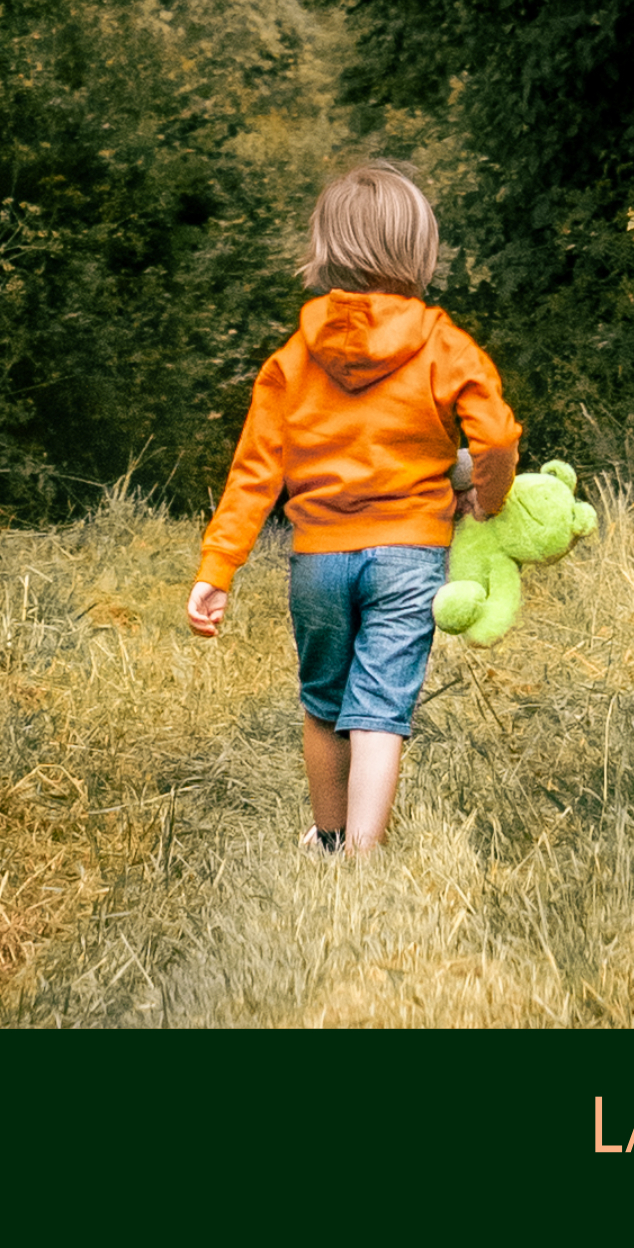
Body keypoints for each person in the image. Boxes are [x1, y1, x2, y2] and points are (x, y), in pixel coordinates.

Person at [185, 160, 521, 854]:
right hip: (409, 553)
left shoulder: (293, 357)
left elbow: (255, 471)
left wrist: (218, 568)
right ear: (418, 251)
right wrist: (486, 498)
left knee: (324, 703)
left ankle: (332, 838)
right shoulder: (441, 342)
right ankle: (365, 856)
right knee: (380, 706)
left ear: (326, 248)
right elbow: (496, 436)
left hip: (318, 559)